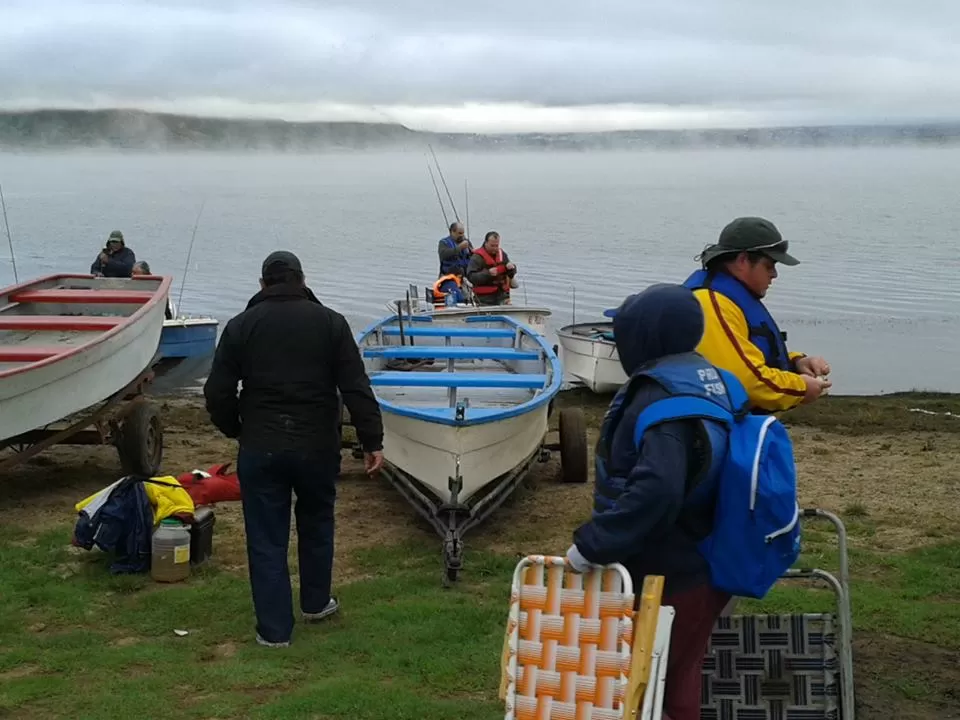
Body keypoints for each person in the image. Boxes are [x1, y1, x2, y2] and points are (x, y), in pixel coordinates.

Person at [565, 283, 739, 720]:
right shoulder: (711, 381)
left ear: (646, 335)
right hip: (704, 560)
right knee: (677, 680)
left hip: (666, 574)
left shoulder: (660, 396)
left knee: (640, 690)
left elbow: (658, 488)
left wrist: (592, 545)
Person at [203, 250, 384, 648]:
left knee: (266, 538)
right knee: (317, 523)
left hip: (261, 445)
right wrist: (372, 440)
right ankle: (316, 603)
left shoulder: (240, 326)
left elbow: (216, 392)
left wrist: (237, 429)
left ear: (262, 283)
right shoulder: (332, 324)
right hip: (317, 444)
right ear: (303, 280)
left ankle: (274, 632)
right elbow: (356, 386)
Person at [683, 217, 831, 414]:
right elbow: (745, 380)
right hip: (711, 426)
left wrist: (796, 363)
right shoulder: (710, 304)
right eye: (769, 265)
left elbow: (743, 354)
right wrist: (800, 388)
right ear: (743, 260)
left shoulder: (726, 297)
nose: (774, 274)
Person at [466, 230, 517, 306]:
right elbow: (471, 277)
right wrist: (488, 273)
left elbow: (511, 273)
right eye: (492, 246)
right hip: (485, 299)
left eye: (496, 245)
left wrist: (512, 268)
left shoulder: (502, 254)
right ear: (486, 243)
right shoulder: (477, 257)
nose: (495, 248)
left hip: (503, 296)